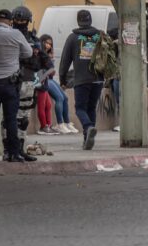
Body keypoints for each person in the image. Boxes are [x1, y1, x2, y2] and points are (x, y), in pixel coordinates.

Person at [0, 9, 34, 162]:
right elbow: (28, 53)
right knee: (11, 119)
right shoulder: (16, 34)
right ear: (10, 21)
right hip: (10, 83)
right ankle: (13, 153)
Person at [59, 10, 104, 150]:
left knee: (80, 108)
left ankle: (88, 127)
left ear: (78, 21)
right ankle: (87, 140)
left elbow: (65, 61)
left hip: (82, 79)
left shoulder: (73, 38)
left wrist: (63, 78)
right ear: (90, 20)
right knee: (91, 108)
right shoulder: (100, 36)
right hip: (98, 79)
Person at [10, 6, 42, 159]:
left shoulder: (10, 36)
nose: (21, 22)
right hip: (22, 80)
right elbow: (36, 62)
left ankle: (14, 150)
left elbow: (39, 62)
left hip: (18, 80)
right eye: (19, 19)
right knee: (17, 118)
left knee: (17, 118)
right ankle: (15, 151)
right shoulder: (30, 39)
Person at [40, 34, 79, 134]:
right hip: (44, 79)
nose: (48, 45)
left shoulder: (48, 54)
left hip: (50, 79)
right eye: (47, 43)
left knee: (65, 97)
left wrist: (51, 58)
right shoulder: (40, 54)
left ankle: (66, 122)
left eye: (50, 44)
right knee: (59, 98)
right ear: (42, 42)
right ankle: (60, 123)